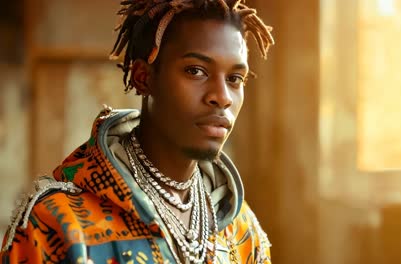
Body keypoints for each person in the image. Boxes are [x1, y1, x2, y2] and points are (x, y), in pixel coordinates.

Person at [0, 0, 274, 263]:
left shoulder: (242, 231)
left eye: (235, 79)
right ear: (143, 77)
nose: (222, 97)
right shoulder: (57, 226)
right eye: (195, 71)